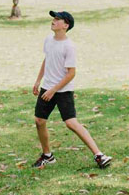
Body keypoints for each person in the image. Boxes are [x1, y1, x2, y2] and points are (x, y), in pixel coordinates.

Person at [32, 11, 112, 169]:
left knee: (71, 123)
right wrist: (38, 80)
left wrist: (54, 90)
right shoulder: (48, 40)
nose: (53, 21)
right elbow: (47, 59)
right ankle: (47, 156)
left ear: (65, 25)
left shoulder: (69, 46)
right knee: (39, 121)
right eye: (53, 18)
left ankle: (99, 155)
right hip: (47, 87)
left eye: (57, 19)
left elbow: (71, 73)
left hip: (62, 90)